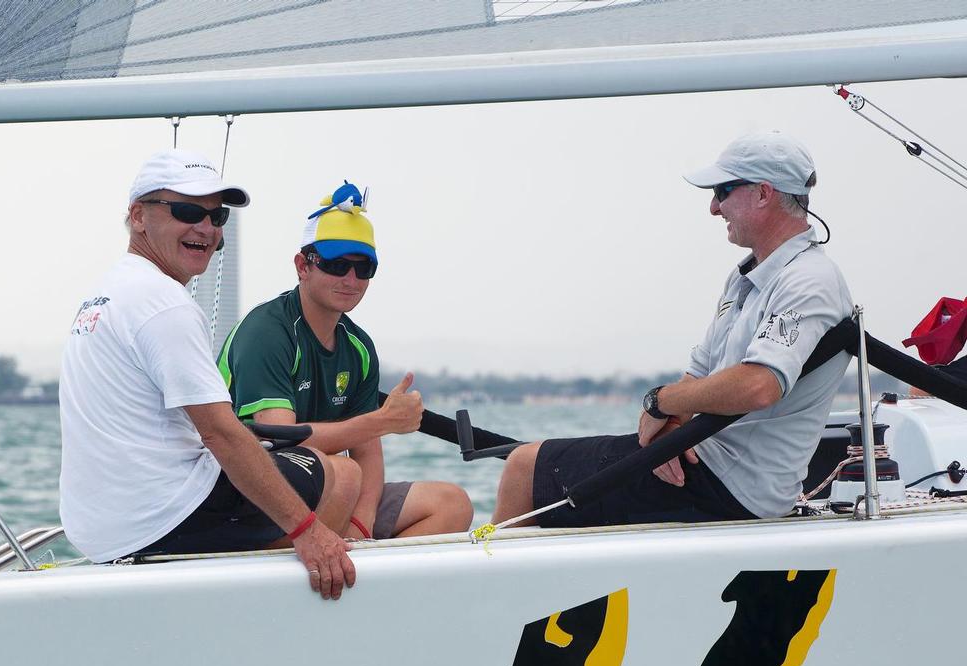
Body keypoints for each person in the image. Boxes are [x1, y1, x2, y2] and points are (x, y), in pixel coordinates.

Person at [492, 131, 854, 529]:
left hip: (736, 487)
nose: (715, 208)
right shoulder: (747, 276)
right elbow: (699, 374)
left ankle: (491, 590)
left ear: (764, 193)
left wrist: (660, 401)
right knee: (538, 464)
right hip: (706, 462)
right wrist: (671, 430)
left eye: (723, 190)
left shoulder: (808, 280)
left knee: (524, 468)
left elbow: (759, 385)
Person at [59, 149, 357, 600]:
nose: (207, 229)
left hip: (98, 527)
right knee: (336, 472)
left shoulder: (106, 293)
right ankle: (301, 590)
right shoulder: (164, 304)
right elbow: (220, 433)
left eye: (217, 216)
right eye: (186, 212)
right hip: (161, 519)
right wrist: (307, 530)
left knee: (277, 468)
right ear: (138, 216)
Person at [217, 182, 473, 540]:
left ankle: (358, 574)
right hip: (248, 493)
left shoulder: (359, 348)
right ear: (302, 266)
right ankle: (318, 573)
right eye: (337, 265)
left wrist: (361, 527)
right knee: (340, 472)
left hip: (331, 489)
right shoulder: (267, 331)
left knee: (452, 503)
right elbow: (284, 442)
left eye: (363, 268)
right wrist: (382, 421)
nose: (350, 279)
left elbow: (367, 453)